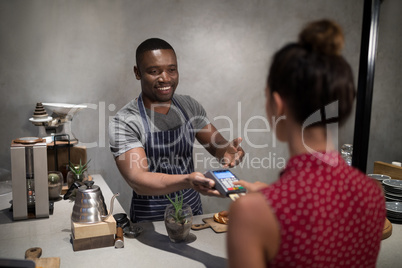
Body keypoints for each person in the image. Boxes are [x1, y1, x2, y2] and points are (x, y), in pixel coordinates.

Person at [227, 19, 385, 267]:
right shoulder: (373, 193)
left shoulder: (250, 214)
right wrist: (266, 194)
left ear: (278, 105)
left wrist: (264, 200)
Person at [109, 38, 244, 222]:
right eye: (154, 71)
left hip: (191, 214)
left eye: (171, 70)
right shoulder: (125, 121)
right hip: (151, 222)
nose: (165, 78)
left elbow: (217, 145)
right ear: (137, 72)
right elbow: (138, 180)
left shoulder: (189, 106)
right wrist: (187, 181)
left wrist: (227, 151)